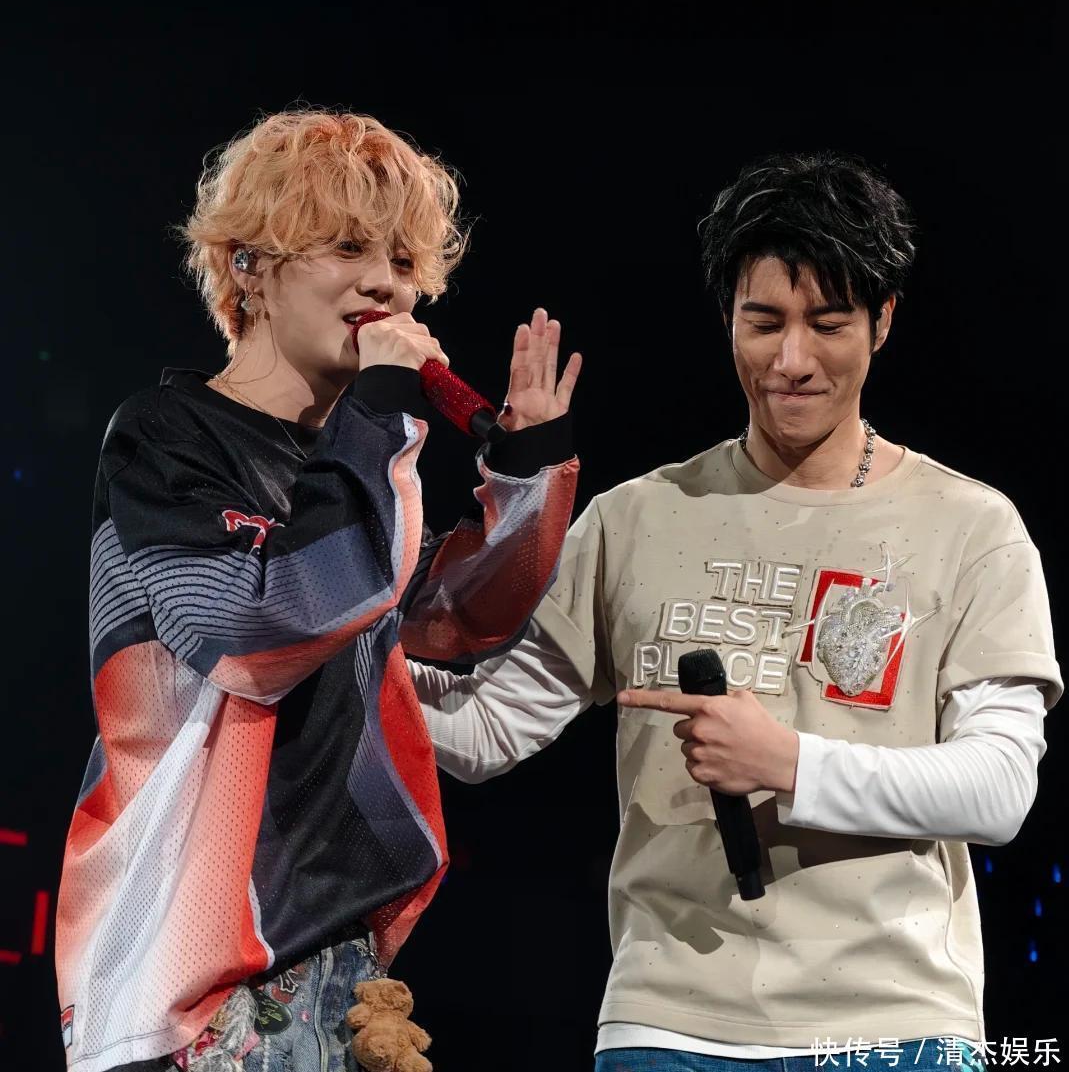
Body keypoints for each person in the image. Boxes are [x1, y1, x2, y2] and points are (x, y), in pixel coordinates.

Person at [411, 152, 1062, 1070]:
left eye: (826, 323)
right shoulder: (636, 518)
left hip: (891, 1024)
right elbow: (486, 727)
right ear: (727, 319)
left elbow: (996, 787)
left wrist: (786, 762)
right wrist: (326, 656)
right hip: (665, 1021)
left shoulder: (970, 527)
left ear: (881, 320)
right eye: (763, 322)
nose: (791, 361)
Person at [55, 109, 582, 1072]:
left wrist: (526, 474)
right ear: (249, 267)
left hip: (337, 955)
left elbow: (454, 619)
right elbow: (252, 626)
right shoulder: (166, 436)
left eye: (402, 260)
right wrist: (378, 417)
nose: (386, 284)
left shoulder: (355, 472)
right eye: (347, 247)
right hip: (189, 965)